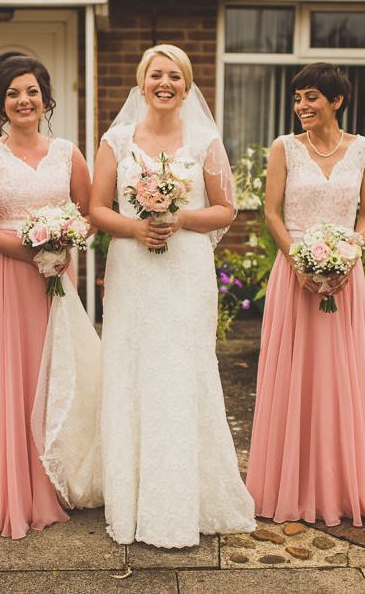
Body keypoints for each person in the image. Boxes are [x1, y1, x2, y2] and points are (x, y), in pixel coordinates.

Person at [90, 44, 256, 548]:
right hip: (133, 271)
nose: (165, 84)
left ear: (187, 86)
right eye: (156, 75)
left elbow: (226, 209)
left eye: (175, 77)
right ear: (142, 84)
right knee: (134, 370)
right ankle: (133, 498)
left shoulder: (205, 140)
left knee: (183, 373)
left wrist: (178, 217)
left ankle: (186, 501)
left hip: (185, 271)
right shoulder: (115, 141)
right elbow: (97, 209)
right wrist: (136, 229)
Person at [246, 62, 365, 527]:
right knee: (293, 376)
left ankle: (339, 488)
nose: (302, 107)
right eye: (298, 98)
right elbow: (271, 212)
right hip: (295, 274)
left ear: (336, 101)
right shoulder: (284, 148)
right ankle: (286, 486)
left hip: (345, 277)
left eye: (311, 98)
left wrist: (350, 252)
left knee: (338, 378)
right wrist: (299, 260)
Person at [0, 55, 92, 539]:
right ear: (1, 103)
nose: (24, 100)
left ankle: (52, 480)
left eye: (32, 91)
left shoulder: (69, 154)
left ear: (46, 98)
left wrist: (64, 243)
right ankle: (7, 484)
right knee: (8, 376)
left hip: (53, 281)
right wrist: (33, 248)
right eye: (14, 93)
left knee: (52, 375)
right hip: (5, 278)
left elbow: (89, 212)